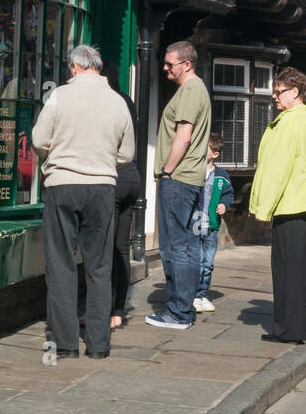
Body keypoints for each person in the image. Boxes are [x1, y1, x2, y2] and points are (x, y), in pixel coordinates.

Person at [32, 45, 134, 359]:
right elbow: (127, 154)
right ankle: (99, 345)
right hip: (102, 187)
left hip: (62, 185)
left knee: (61, 264)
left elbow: (38, 140)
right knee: (100, 267)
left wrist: (55, 159)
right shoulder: (118, 101)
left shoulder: (59, 96)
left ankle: (64, 344)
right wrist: (102, 162)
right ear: (98, 67)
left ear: (75, 67)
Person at [249, 66, 306, 342]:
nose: (274, 96)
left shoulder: (288, 122)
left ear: (295, 92)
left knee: (287, 268)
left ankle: (288, 329)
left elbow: (277, 169)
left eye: (279, 91)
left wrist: (263, 209)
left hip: (291, 203)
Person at [146, 40, 212, 330]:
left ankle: (179, 312)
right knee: (183, 245)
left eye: (169, 64)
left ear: (187, 64)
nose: (165, 69)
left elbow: (183, 137)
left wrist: (166, 170)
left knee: (178, 246)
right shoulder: (193, 90)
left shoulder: (190, 90)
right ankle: (181, 308)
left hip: (179, 178)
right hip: (185, 179)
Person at [102, 61, 141, 331]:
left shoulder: (106, 102)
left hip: (113, 176)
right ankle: (118, 311)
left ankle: (103, 313)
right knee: (121, 248)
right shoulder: (127, 100)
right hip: (132, 177)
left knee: (104, 248)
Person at [193, 132, 234, 313]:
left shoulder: (222, 175)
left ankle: (202, 295)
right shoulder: (194, 171)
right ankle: (192, 294)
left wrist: (225, 205)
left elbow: (228, 194)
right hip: (194, 223)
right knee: (195, 260)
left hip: (211, 225)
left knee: (208, 262)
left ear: (215, 154)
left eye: (205, 148)